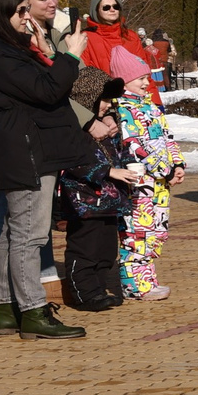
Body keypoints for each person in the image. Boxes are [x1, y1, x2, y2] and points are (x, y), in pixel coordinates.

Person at [0, 0, 91, 338]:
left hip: (26, 144)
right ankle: (32, 310)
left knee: (15, 232)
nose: (27, 15)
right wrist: (71, 55)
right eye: (22, 9)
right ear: (1, 13)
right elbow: (46, 91)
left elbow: (49, 85)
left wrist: (43, 50)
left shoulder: (3, 46)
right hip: (25, 148)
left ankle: (7, 308)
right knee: (30, 234)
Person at [106, 56, 183, 299]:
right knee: (136, 233)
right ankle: (135, 285)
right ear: (125, 81)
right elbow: (134, 146)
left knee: (155, 232)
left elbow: (166, 137)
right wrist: (165, 170)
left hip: (158, 184)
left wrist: (177, 163)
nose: (145, 82)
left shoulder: (149, 106)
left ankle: (147, 278)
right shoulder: (123, 109)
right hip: (139, 185)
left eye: (146, 77)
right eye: (140, 78)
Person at [57, 75, 133, 311]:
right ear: (87, 100)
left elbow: (119, 153)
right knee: (85, 249)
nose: (108, 104)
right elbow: (75, 162)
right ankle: (85, 293)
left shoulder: (106, 128)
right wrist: (109, 171)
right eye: (104, 100)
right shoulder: (73, 130)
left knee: (106, 250)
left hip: (109, 202)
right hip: (84, 202)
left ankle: (98, 289)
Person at [80, 0, 166, 109]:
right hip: (105, 103)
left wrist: (155, 102)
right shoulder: (85, 38)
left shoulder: (130, 37)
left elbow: (145, 73)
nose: (112, 9)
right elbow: (85, 75)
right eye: (106, 7)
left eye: (116, 6)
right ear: (96, 11)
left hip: (136, 102)